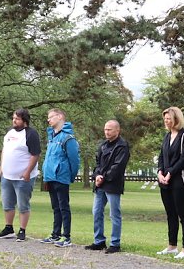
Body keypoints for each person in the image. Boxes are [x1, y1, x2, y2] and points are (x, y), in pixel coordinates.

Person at [0, 109, 42, 242]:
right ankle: (8, 228)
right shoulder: (9, 133)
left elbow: (35, 155)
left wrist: (27, 172)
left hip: (23, 177)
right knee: (7, 204)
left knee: (23, 205)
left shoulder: (31, 134)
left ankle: (22, 230)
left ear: (25, 121)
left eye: (17, 119)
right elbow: (5, 149)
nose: (14, 121)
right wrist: (2, 166)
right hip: (7, 176)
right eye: (13, 118)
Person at [84, 120, 130, 253]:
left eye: (109, 129)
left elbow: (118, 166)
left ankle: (115, 243)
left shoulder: (122, 146)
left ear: (117, 130)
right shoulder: (103, 145)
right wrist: (97, 175)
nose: (107, 132)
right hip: (100, 185)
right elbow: (97, 163)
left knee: (114, 213)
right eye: (105, 129)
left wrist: (104, 177)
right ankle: (99, 241)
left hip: (113, 185)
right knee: (96, 211)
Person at [156, 106, 184, 259]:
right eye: (164, 119)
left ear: (176, 119)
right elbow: (161, 156)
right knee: (170, 214)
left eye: (169, 119)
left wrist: (171, 172)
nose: (166, 122)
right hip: (165, 181)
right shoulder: (167, 136)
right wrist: (160, 171)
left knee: (183, 214)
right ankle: (172, 245)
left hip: (179, 180)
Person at [39, 108, 80, 247]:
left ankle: (66, 237)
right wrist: (46, 175)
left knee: (64, 207)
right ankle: (55, 234)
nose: (48, 120)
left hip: (61, 177)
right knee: (55, 207)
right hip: (51, 177)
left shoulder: (68, 138)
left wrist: (70, 176)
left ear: (60, 117)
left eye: (51, 117)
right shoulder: (52, 137)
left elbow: (74, 161)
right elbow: (48, 159)